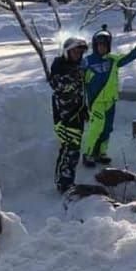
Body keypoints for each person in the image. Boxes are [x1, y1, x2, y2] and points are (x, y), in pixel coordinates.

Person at [82, 26, 136, 166]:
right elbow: (77, 75)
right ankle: (88, 153)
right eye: (99, 45)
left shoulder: (113, 59)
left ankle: (101, 153)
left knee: (107, 128)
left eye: (104, 45)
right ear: (95, 45)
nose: (102, 48)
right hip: (96, 102)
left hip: (110, 101)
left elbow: (129, 57)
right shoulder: (87, 61)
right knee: (96, 127)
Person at [49, 37, 88, 193]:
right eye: (75, 51)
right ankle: (63, 183)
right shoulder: (59, 64)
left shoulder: (79, 67)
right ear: (67, 51)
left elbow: (81, 90)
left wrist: (84, 108)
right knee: (68, 149)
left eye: (80, 52)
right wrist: (73, 76)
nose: (78, 55)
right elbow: (56, 85)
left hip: (77, 113)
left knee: (74, 150)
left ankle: (68, 182)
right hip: (64, 117)